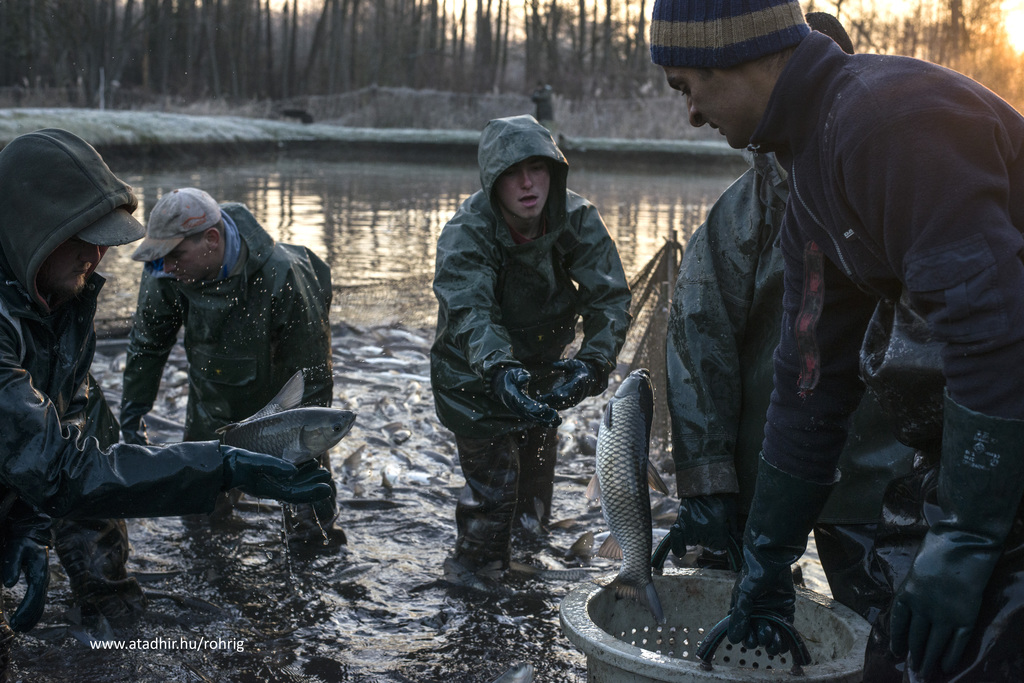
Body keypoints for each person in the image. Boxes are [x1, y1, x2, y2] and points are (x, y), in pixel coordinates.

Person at [650, 2, 1024, 680]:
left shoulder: (884, 123)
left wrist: (966, 538)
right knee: (900, 647)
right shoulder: (812, 182)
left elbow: (995, 336)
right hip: (984, 425)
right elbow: (809, 386)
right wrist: (765, 563)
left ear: (743, 55)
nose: (692, 115)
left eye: (687, 86)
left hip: (1007, 404)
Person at [0, 127, 331, 671]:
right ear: (35, 229)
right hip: (197, 420)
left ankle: (115, 628)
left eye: (107, 237)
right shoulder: (152, 277)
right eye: (87, 237)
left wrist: (29, 528)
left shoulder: (62, 289)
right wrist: (209, 460)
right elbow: (63, 460)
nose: (100, 254)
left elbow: (66, 425)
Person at [660, 11, 914, 627]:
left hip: (880, 475)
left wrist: (972, 523)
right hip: (773, 466)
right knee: (751, 615)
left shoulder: (888, 166)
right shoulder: (739, 220)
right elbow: (699, 349)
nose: (693, 112)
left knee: (891, 627)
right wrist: (708, 483)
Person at [431, 114, 631, 587]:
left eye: (537, 169)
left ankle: (528, 582)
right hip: (474, 380)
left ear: (554, 172)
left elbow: (609, 299)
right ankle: (473, 584)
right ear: (492, 182)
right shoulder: (467, 232)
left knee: (534, 499)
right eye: (512, 173)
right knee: (493, 499)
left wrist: (594, 361)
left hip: (542, 373)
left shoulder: (578, 220)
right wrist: (500, 369)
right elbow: (472, 312)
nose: (527, 183)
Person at [120, 186, 346, 551]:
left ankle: (317, 560)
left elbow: (313, 377)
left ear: (212, 239)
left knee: (312, 521)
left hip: (281, 412)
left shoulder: (283, 274)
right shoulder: (165, 272)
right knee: (199, 519)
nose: (166, 266)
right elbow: (148, 347)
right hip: (210, 405)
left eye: (175, 255)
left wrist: (304, 446)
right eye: (159, 257)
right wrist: (131, 418)